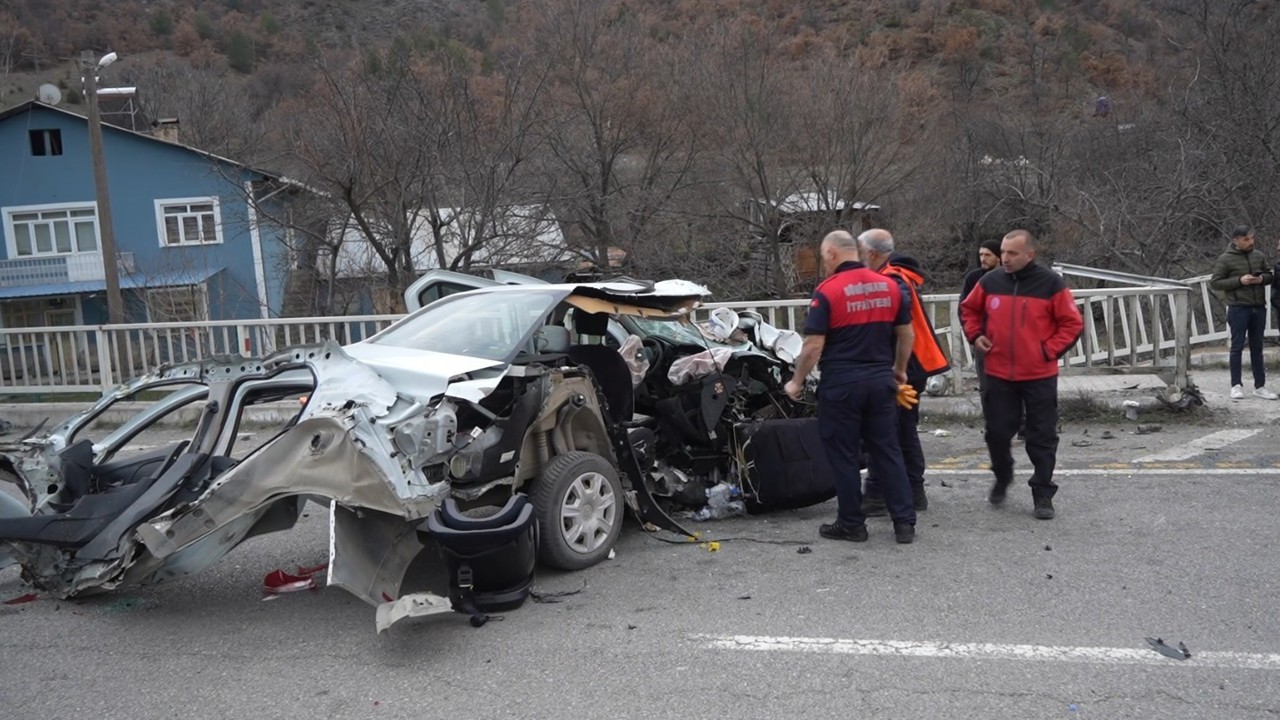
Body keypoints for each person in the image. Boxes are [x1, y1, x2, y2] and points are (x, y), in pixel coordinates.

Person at [784, 229, 917, 544]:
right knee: (887, 450)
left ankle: (851, 524)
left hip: (842, 384)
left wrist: (796, 381)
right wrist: (898, 371)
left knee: (843, 455)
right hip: (880, 380)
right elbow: (907, 334)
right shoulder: (889, 285)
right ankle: (904, 523)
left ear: (831, 254)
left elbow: (813, 345)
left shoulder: (828, 291)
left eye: (823, 257)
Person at [959, 229, 1083, 520]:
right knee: (997, 433)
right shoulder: (990, 281)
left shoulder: (1051, 283)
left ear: (1030, 254)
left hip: (1038, 373)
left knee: (1042, 435)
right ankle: (1002, 476)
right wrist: (975, 336)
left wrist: (1046, 351)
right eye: (1003, 252)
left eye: (1013, 253)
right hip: (999, 372)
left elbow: (1072, 323)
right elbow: (968, 310)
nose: (1006, 258)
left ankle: (1042, 491)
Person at [856, 229, 950, 515]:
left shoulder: (890, 282)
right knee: (902, 431)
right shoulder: (900, 276)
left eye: (859, 251)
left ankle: (877, 496)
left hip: (901, 368)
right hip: (913, 365)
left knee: (882, 432)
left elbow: (895, 328)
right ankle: (912, 491)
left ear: (872, 253)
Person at [1210, 226, 1277, 400]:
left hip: (1258, 306)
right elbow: (1216, 282)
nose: (1250, 242)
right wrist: (1240, 280)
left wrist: (1261, 279)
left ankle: (1260, 386)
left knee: (1257, 347)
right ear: (1236, 240)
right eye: (1246, 239)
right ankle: (1236, 385)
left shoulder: (1259, 256)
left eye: (1252, 238)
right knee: (1237, 346)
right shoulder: (1225, 259)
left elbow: (1270, 276)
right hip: (1238, 307)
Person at [961, 239, 1003, 395]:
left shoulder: (1010, 276)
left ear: (998, 257)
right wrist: (973, 335)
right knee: (986, 384)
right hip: (982, 337)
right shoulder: (973, 278)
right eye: (981, 255)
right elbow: (964, 308)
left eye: (988, 255)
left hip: (1008, 337)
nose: (983, 259)